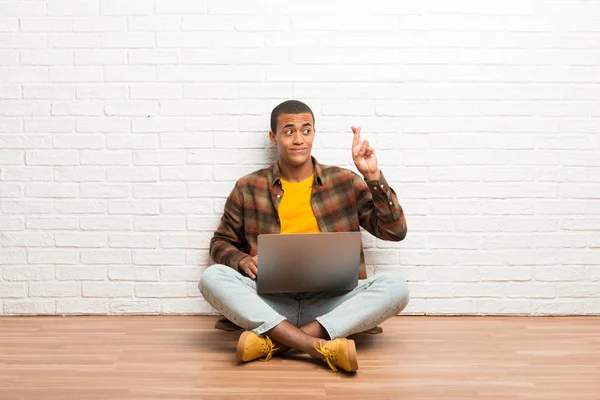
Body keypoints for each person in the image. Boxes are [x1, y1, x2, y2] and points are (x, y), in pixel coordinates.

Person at [199, 100, 409, 373]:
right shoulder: (247, 187)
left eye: (306, 130)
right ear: (273, 137)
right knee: (212, 277)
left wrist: (372, 176)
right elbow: (219, 243)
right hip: (272, 301)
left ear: (313, 133)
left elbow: (394, 231)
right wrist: (241, 260)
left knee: (396, 286)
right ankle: (318, 347)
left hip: (331, 302)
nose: (299, 139)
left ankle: (276, 342)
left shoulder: (345, 181)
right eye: (289, 131)